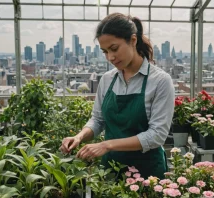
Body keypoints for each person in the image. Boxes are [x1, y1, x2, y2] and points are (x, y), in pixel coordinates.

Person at [60, 13, 175, 179]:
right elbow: (98, 120)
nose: (110, 57)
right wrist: (79, 137)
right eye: (105, 51)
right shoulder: (108, 79)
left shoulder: (160, 81)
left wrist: (107, 145)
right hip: (111, 170)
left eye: (114, 49)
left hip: (147, 173)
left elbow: (157, 135)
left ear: (133, 40)